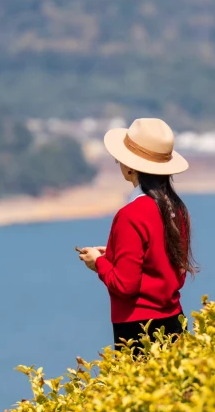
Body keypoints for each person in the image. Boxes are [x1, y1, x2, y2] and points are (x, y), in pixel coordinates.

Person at [75, 117, 197, 355]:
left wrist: (98, 262)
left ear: (131, 167)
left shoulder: (131, 214)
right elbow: (170, 270)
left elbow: (125, 286)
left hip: (137, 330)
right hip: (174, 321)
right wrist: (112, 255)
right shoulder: (177, 209)